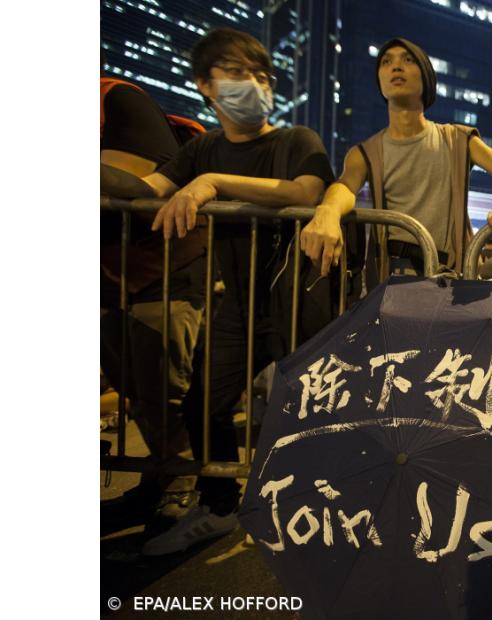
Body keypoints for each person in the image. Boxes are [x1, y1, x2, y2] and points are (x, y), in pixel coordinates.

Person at [100, 28, 337, 555]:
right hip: (236, 303)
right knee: (203, 403)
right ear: (206, 85)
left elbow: (305, 192)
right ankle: (219, 506)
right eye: (235, 72)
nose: (252, 84)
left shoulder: (295, 140)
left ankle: (328, 512)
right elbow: (147, 191)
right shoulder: (204, 147)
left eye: (260, 75)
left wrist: (212, 184)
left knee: (315, 411)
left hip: (298, 301)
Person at [300, 37, 492, 281]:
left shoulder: (457, 138)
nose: (396, 67)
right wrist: (328, 211)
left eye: (408, 60)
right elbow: (344, 186)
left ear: (426, 77)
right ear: (379, 80)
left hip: (452, 279)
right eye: (386, 62)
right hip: (393, 279)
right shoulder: (365, 152)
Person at [100, 76, 206, 524]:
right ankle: (157, 480)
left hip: (167, 270)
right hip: (113, 277)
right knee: (132, 384)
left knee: (164, 387)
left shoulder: (114, 96)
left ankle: (183, 488)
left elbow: (142, 189)